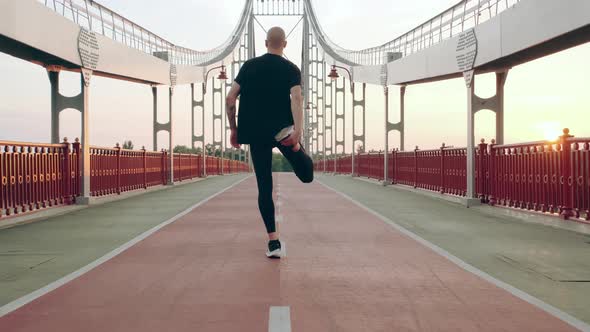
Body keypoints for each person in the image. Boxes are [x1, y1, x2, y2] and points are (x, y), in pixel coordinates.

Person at [225, 26, 314, 259]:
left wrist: (234, 129)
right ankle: (295, 147)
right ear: (284, 45)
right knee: (307, 175)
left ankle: (273, 243)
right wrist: (298, 133)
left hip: (255, 134)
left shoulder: (248, 66)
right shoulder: (291, 69)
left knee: (264, 188)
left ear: (265, 43)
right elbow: (296, 98)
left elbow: (230, 98)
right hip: (282, 131)